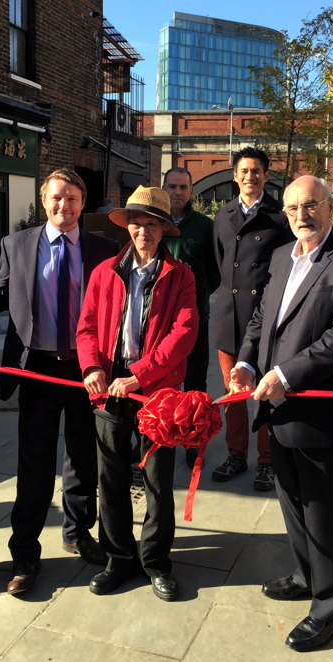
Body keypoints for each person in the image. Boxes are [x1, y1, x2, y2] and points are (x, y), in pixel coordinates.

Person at [0, 168, 117, 596]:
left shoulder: (105, 249)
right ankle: (25, 554)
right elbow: (1, 290)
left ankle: (77, 532)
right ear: (43, 200)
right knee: (33, 464)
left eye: (72, 198)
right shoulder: (16, 245)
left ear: (83, 202)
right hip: (36, 368)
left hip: (86, 370)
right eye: (56, 197)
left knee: (82, 459)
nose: (63, 205)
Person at [231, 175, 333, 652]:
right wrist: (248, 363)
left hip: (318, 411)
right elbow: (260, 319)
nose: (300, 215)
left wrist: (286, 375)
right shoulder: (280, 257)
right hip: (276, 406)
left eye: (310, 205)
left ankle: (332, 609)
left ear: (331, 206)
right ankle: (307, 573)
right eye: (292, 207)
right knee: (291, 499)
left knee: (325, 510)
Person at [77, 186, 198, 602]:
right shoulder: (104, 272)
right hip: (109, 387)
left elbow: (184, 335)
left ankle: (156, 562)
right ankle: (118, 559)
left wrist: (140, 376)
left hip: (158, 393)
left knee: (157, 482)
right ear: (126, 227)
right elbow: (87, 327)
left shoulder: (180, 275)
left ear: (164, 229)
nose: (142, 231)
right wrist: (92, 366)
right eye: (136, 223)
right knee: (110, 480)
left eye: (151, 224)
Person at [211, 147, 293, 490]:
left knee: (266, 393)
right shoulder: (222, 215)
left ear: (266, 175)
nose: (250, 177)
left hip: (265, 318)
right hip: (229, 319)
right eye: (244, 171)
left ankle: (268, 459)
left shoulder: (279, 216)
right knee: (234, 394)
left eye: (256, 171)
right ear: (235, 175)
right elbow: (220, 263)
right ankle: (235, 453)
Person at [162, 167, 221, 469]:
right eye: (172, 186)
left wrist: (194, 292)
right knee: (161, 382)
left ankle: (192, 439)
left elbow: (215, 273)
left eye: (183, 187)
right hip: (160, 322)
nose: (178, 192)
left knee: (195, 384)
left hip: (196, 318)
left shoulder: (204, 227)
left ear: (192, 190)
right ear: (164, 188)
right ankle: (160, 434)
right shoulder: (154, 222)